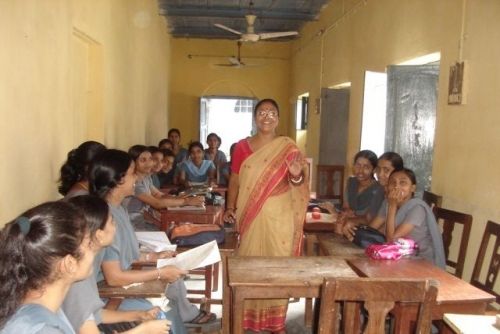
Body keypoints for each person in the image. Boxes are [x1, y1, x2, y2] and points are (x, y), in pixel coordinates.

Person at [88, 149, 216, 327]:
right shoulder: (105, 217)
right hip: (105, 291)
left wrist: (153, 257)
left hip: (121, 279)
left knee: (171, 295)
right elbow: (114, 277)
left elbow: (123, 254)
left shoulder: (119, 209)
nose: (136, 178)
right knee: (162, 310)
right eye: (133, 174)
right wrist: (160, 272)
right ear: (119, 179)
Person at [223, 98, 309, 333]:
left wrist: (296, 174)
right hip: (250, 214)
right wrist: (230, 207)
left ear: (278, 118)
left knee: (276, 267)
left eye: (272, 112)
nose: (267, 116)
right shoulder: (242, 147)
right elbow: (235, 179)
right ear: (255, 117)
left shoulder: (288, 147)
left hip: (280, 216)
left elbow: (299, 183)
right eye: (262, 112)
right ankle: (248, 319)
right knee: (250, 264)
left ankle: (276, 323)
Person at [62, 195, 173, 334]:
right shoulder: (78, 278)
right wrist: (143, 330)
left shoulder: (83, 265)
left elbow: (93, 315)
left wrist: (138, 314)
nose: (116, 227)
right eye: (112, 222)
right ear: (99, 235)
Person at [0, 201, 92, 333]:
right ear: (69, 264)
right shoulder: (44, 328)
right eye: (89, 244)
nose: (93, 251)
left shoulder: (23, 302)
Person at [368, 168, 446, 268]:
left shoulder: (417, 208)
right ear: (387, 187)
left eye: (403, 183)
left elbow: (392, 241)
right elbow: (373, 229)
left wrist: (392, 206)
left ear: (413, 188)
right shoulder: (388, 203)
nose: (396, 186)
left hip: (420, 261)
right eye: (393, 183)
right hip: (399, 258)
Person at [126, 145, 204, 231]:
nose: (149, 163)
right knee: (176, 231)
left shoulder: (145, 178)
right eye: (143, 160)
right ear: (132, 163)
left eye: (150, 159)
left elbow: (158, 195)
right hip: (133, 225)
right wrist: (187, 201)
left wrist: (183, 197)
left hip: (143, 219)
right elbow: (156, 203)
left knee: (178, 227)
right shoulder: (135, 183)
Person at [341, 151, 404, 239]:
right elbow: (372, 224)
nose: (380, 174)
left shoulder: (402, 198)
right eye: (379, 169)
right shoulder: (383, 193)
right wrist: (351, 226)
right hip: (381, 240)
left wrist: (354, 227)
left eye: (386, 170)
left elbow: (390, 237)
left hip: (402, 246)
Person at [340, 150, 385, 224]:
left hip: (366, 227)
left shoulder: (379, 189)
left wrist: (351, 219)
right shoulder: (351, 182)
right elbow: (345, 206)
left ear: (374, 170)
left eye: (366, 167)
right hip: (348, 222)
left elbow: (370, 219)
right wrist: (347, 211)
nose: (360, 170)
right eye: (358, 165)